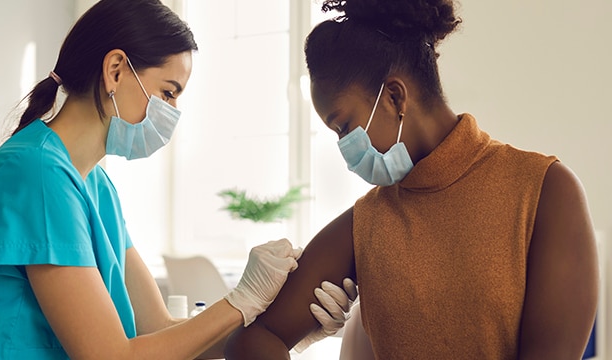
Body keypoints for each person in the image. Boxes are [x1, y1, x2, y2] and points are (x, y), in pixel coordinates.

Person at [0, 0, 357, 358]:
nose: (172, 111)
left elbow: (158, 329)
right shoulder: (36, 173)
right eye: (168, 93)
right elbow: (110, 355)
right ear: (116, 70)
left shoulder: (95, 186)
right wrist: (242, 299)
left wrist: (288, 331)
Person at [224, 0, 599, 359]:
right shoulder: (368, 221)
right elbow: (255, 338)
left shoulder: (545, 191)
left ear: (394, 96)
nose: (344, 149)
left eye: (344, 128)